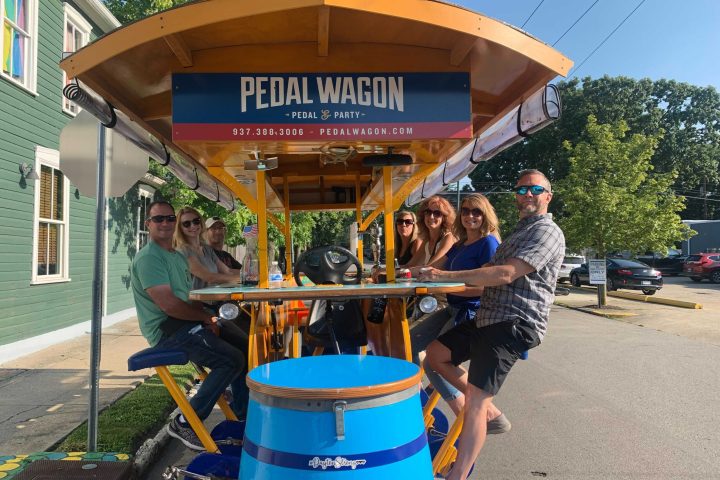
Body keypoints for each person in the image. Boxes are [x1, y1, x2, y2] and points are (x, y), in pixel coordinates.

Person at [420, 170, 565, 480]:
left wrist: (442, 278)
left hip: (513, 323)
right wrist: (430, 282)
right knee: (435, 354)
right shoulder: (518, 233)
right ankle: (489, 412)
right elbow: (484, 272)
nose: (528, 194)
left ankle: (456, 474)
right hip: (486, 317)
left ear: (547, 196)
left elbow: (504, 274)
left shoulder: (547, 232)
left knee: (473, 400)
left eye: (536, 189)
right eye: (522, 188)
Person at [130, 201, 249, 451]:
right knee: (231, 359)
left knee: (247, 347)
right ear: (148, 224)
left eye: (169, 218)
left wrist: (209, 317)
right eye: (158, 219)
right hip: (167, 330)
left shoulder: (174, 255)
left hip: (187, 322)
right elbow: (170, 306)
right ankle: (185, 422)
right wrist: (205, 319)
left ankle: (244, 417)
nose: (165, 223)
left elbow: (188, 297)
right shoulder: (149, 258)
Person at [413, 194, 501, 416]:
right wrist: (395, 273)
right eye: (465, 211)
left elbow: (488, 287)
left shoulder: (488, 243)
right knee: (410, 342)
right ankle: (415, 400)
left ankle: (475, 409)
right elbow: (435, 268)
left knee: (434, 362)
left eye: (476, 212)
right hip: (452, 306)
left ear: (485, 215)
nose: (470, 216)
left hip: (470, 310)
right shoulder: (461, 244)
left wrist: (448, 287)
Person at [174, 207, 241, 290]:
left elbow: (228, 271)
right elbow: (209, 277)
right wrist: (244, 279)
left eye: (196, 221)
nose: (193, 226)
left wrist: (256, 275)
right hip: (195, 302)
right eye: (186, 224)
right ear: (180, 228)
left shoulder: (207, 249)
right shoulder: (182, 252)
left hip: (213, 300)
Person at [405, 195, 457, 268]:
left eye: (437, 213)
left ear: (444, 218)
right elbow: (410, 265)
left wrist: (399, 272)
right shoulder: (427, 240)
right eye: (428, 212)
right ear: (423, 215)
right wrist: (389, 270)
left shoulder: (449, 238)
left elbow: (430, 268)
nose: (431, 216)